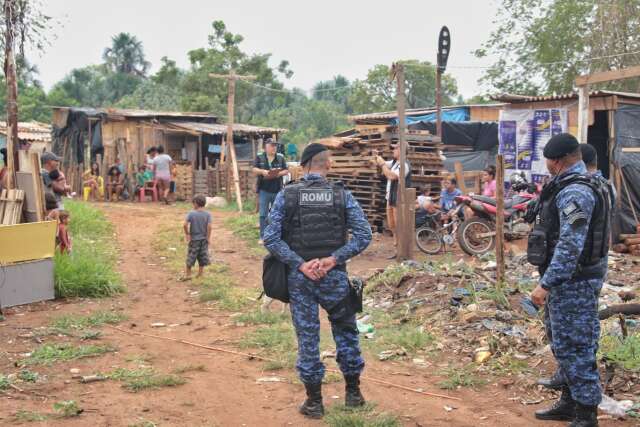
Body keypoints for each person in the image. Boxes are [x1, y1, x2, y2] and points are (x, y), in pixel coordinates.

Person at [264, 143, 372, 419]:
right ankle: (353, 394)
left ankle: (314, 403)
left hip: (301, 280)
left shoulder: (287, 196)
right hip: (334, 278)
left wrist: (300, 264)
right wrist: (333, 259)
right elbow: (364, 235)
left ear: (303, 166)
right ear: (328, 164)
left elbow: (271, 239)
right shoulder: (341, 195)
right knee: (346, 332)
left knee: (308, 337)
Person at [527, 133, 612, 427]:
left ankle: (586, 414)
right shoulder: (581, 183)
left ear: (558, 161)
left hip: (572, 283)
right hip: (572, 280)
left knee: (575, 345)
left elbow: (570, 244)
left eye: (548, 161)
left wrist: (546, 284)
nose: (547, 166)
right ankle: (569, 402)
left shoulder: (575, 192)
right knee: (562, 342)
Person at [375, 145, 410, 253]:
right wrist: (377, 157)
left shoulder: (404, 165)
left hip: (399, 198)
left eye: (395, 148)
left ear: (401, 150)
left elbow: (391, 176)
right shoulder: (395, 162)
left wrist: (381, 164)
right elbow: (384, 164)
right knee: (392, 225)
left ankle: (402, 250)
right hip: (391, 197)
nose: (393, 150)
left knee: (399, 225)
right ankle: (397, 248)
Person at [253, 138, 289, 242]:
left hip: (277, 189)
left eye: (275, 146)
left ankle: (275, 235)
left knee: (276, 214)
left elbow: (286, 170)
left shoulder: (280, 157)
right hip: (264, 189)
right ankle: (263, 236)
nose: (274, 147)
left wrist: (277, 174)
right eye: (272, 145)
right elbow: (254, 169)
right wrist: (263, 171)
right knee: (263, 214)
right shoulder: (260, 157)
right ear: (266, 146)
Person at [182, 194, 213, 281]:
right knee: (202, 256)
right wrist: (208, 237)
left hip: (194, 240)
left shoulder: (191, 213)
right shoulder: (208, 214)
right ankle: (200, 274)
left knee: (191, 256)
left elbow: (184, 225)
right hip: (203, 240)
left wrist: (187, 234)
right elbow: (209, 226)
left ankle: (188, 274)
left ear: (195, 203)